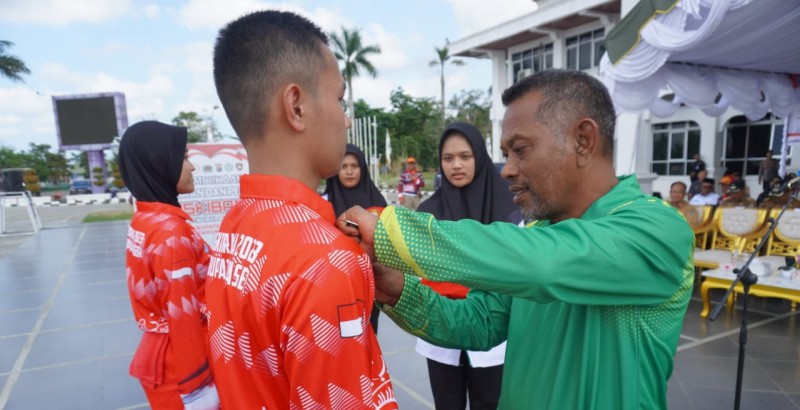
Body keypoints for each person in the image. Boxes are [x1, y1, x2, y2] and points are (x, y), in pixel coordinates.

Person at [338, 69, 694, 408]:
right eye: (506, 154)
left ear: (583, 141)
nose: (507, 169)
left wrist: (388, 229)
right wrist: (398, 291)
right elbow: (479, 322)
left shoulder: (656, 229)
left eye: (520, 150)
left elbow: (546, 263)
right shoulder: (537, 232)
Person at [207, 11, 396, 409]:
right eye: (339, 98)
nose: (346, 119)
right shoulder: (326, 261)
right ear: (296, 106)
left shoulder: (237, 223)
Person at [416, 122, 521, 409]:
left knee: (489, 403)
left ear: (480, 156)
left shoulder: (510, 210)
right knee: (446, 403)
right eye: (448, 159)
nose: (456, 165)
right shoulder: (427, 213)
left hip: (494, 331)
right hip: (442, 328)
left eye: (465, 156)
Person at [118, 121, 219, 410]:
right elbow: (182, 316)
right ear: (159, 163)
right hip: (183, 362)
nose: (192, 167)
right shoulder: (171, 233)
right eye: (185, 158)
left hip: (162, 352)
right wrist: (197, 390)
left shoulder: (147, 217)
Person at [324, 143, 387, 333]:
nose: (349, 172)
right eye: (344, 166)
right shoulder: (324, 202)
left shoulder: (378, 202)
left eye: (355, 166)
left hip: (371, 282)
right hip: (333, 284)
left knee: (368, 334)